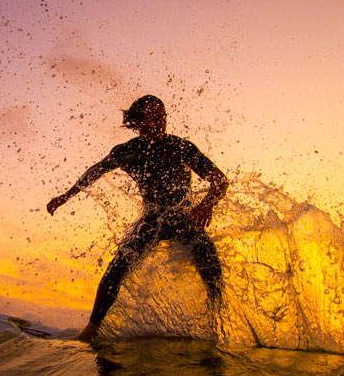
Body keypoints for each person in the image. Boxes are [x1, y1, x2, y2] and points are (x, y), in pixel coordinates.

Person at [46, 94, 229, 341]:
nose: (159, 121)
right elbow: (95, 172)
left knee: (211, 269)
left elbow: (220, 180)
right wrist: (65, 196)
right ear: (138, 122)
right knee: (116, 269)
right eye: (152, 116)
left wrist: (205, 206)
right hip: (153, 220)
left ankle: (219, 328)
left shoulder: (181, 147)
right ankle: (91, 330)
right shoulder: (128, 151)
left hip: (184, 219)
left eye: (162, 116)